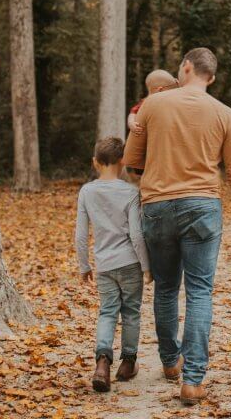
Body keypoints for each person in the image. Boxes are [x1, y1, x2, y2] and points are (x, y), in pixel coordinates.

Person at [123, 47, 231, 405]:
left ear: (185, 67)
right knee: (200, 292)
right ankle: (193, 381)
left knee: (166, 288)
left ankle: (170, 362)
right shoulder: (225, 114)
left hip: (157, 206)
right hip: (202, 206)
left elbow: (131, 162)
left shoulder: (153, 105)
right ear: (210, 77)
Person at [74, 137, 152, 394]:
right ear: (122, 162)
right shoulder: (131, 192)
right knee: (131, 312)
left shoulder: (87, 191)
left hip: (105, 265)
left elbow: (81, 234)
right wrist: (146, 266)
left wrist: (84, 265)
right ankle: (128, 363)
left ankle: (102, 363)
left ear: (95, 162)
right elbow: (137, 234)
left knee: (107, 312)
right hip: (130, 262)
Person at [127, 69, 178, 135]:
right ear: (160, 90)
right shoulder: (146, 103)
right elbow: (133, 112)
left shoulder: (165, 101)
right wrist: (131, 123)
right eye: (171, 92)